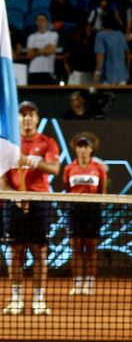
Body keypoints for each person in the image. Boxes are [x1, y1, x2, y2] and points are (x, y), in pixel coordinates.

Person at [2, 101, 61, 316]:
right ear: (18, 119)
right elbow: (1, 177)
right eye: (23, 114)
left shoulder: (47, 143)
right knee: (15, 251)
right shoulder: (8, 145)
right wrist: (15, 196)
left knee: (39, 251)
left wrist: (30, 161)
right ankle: (16, 298)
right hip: (14, 202)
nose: (27, 118)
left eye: (31, 114)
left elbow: (54, 168)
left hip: (39, 201)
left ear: (36, 118)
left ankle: (38, 299)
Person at [63, 133, 107, 296]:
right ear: (75, 149)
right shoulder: (69, 168)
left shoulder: (98, 169)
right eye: (80, 146)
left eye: (86, 146)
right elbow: (67, 188)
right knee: (76, 248)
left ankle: (89, 282)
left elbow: (102, 191)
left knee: (91, 248)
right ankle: (77, 282)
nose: (82, 150)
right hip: (74, 210)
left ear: (91, 149)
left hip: (92, 211)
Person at [93, 14, 130, 85]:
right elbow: (128, 55)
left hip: (108, 78)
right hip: (122, 77)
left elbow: (100, 56)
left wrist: (97, 72)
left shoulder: (100, 35)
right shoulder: (120, 35)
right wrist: (127, 71)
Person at [26, 14, 59, 85]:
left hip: (48, 71)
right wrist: (44, 49)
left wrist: (36, 50)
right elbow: (29, 55)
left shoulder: (53, 35)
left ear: (47, 22)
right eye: (39, 20)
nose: (41, 22)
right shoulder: (31, 37)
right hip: (33, 72)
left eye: (43, 20)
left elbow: (49, 51)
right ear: (36, 22)